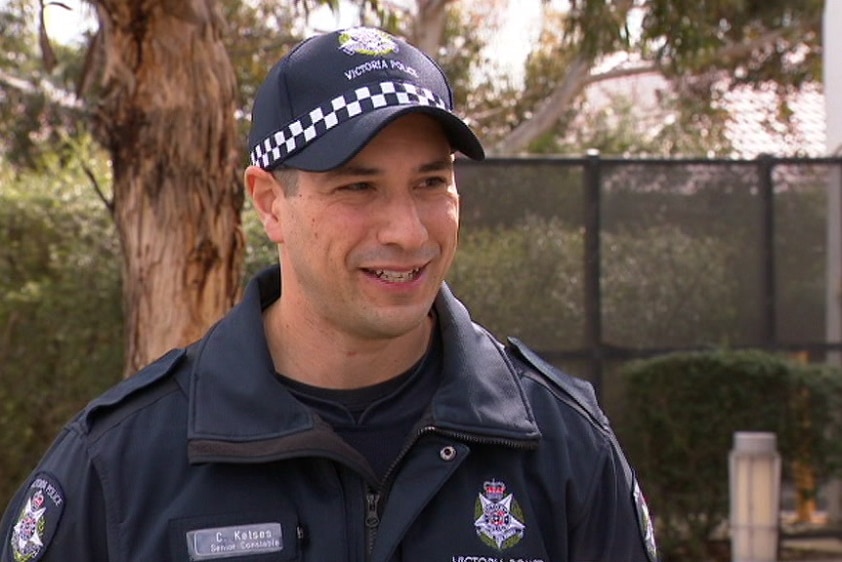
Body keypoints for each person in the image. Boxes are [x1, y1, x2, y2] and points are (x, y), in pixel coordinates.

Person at [0, 26, 658, 562]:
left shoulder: (560, 444)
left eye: (431, 184)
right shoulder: (121, 465)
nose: (407, 232)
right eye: (357, 187)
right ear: (270, 204)